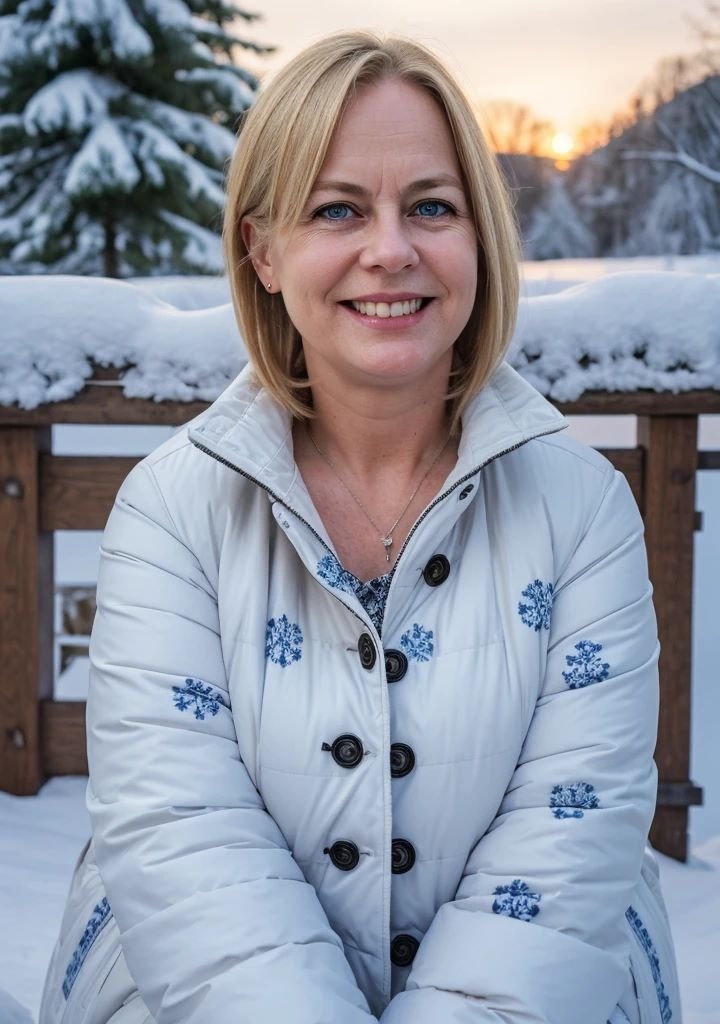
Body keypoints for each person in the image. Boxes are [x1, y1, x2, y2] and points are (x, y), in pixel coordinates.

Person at [39, 30, 681, 1024]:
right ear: (263, 250)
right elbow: (182, 835)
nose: (391, 250)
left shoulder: (582, 508)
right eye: (338, 209)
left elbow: (572, 837)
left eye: (431, 207)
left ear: (479, 239)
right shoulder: (171, 511)